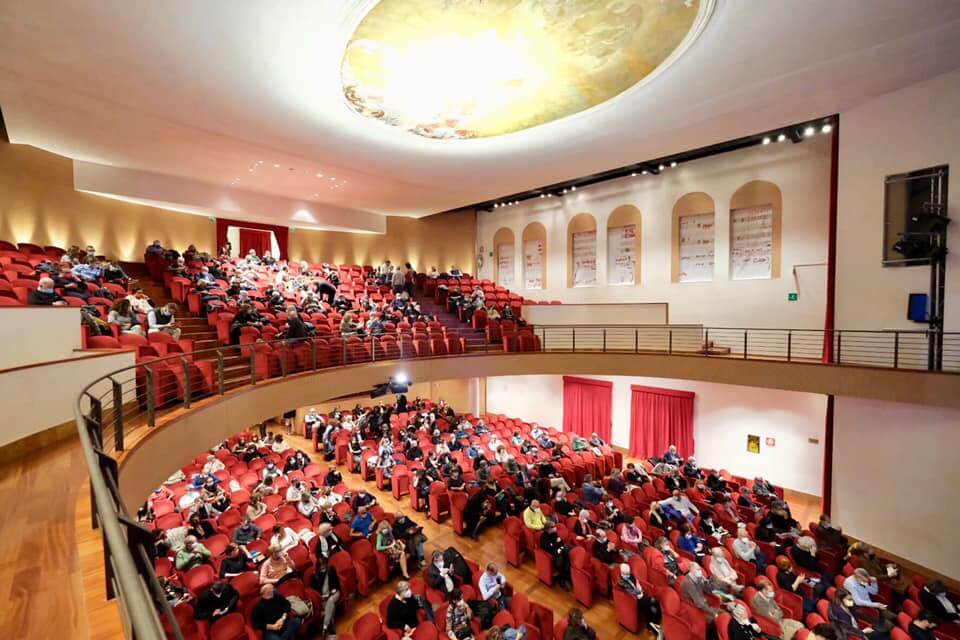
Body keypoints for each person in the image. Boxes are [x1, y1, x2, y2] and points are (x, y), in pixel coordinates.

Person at [618, 563, 662, 635]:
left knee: (654, 601)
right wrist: (639, 592)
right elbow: (631, 591)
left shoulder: (630, 575)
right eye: (626, 574)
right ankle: (652, 625)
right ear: (622, 573)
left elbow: (636, 581)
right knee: (649, 605)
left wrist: (639, 586)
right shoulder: (621, 582)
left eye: (628, 573)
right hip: (634, 600)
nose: (628, 575)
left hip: (640, 594)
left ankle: (656, 621)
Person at [310, 553, 341, 636]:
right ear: (318, 566)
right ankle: (331, 628)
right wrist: (322, 597)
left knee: (330, 601)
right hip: (323, 597)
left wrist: (333, 590)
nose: (323, 567)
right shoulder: (314, 576)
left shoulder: (331, 569)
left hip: (334, 593)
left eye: (324, 565)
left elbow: (337, 584)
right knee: (329, 607)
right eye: (321, 566)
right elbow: (315, 592)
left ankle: (325, 626)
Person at [540, 520, 572, 589]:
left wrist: (558, 544)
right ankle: (562, 578)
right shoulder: (543, 537)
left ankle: (566, 576)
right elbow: (547, 548)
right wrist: (556, 543)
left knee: (567, 553)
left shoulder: (554, 533)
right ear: (548, 529)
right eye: (553, 527)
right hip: (551, 555)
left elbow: (560, 541)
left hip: (559, 551)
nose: (555, 528)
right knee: (562, 560)